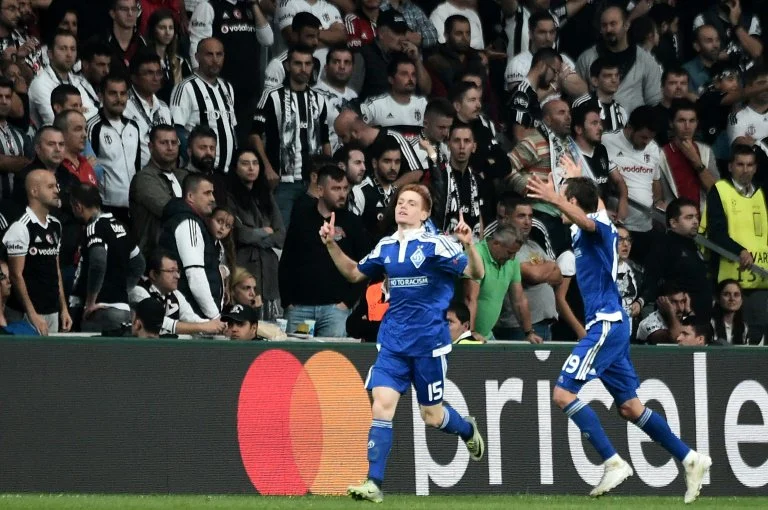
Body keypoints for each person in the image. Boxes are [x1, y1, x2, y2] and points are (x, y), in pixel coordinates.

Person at [526, 173, 712, 502]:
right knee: (630, 407)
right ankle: (690, 458)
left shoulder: (597, 228)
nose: (558, 203)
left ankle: (613, 462)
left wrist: (554, 197)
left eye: (564, 197)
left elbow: (588, 217)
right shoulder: (588, 225)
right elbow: (590, 205)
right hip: (614, 325)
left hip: (606, 324)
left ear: (572, 203)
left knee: (563, 395)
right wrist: (577, 174)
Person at [320, 183, 485, 502]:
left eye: (411, 203)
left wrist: (469, 245)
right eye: (400, 201)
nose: (403, 206)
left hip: (428, 345)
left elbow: (475, 273)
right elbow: (354, 273)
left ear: (425, 214)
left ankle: (467, 429)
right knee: (381, 406)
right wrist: (330, 244)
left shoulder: (438, 245)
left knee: (432, 416)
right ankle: (374, 483)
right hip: (393, 342)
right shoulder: (386, 247)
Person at [279, 165, 369, 337]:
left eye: (345, 188)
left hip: (335, 310)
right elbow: (286, 262)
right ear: (320, 190)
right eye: (335, 188)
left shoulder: (353, 223)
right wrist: (287, 301)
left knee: (332, 354)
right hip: (300, 309)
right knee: (297, 354)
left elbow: (364, 265)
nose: (342, 194)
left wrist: (348, 302)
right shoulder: (301, 219)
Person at [251, 45, 330, 226]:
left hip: (313, 180)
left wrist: (329, 171)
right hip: (282, 181)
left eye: (308, 64)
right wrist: (267, 168)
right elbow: (254, 135)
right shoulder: (271, 96)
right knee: (283, 231)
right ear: (287, 66)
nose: (303, 69)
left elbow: (325, 139)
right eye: (298, 64)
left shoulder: (319, 99)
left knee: (314, 230)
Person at [705, 144, 768, 341]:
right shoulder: (720, 190)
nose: (745, 169)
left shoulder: (762, 192)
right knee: (731, 333)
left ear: (755, 168)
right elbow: (716, 232)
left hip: (760, 277)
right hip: (729, 277)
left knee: (758, 331)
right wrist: (739, 250)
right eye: (740, 164)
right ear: (730, 166)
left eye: (750, 165)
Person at [2, 169, 71, 335]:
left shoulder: (56, 225)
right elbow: (16, 275)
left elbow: (55, 269)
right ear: (34, 191)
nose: (57, 191)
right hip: (25, 314)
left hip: (52, 310)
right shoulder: (21, 227)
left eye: (56, 186)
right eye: (50, 187)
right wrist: (32, 314)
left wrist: (63, 308)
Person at [68, 183, 144, 332]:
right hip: (123, 310)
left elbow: (98, 261)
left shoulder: (94, 226)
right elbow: (139, 263)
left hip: (101, 312)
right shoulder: (121, 226)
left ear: (78, 206)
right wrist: (122, 289)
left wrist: (91, 302)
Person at [226, 149, 284, 322]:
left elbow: (281, 234)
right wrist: (264, 232)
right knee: (243, 318)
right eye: (245, 163)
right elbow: (239, 234)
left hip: (269, 267)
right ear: (235, 168)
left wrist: (256, 238)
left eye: (255, 163)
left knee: (269, 323)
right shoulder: (229, 197)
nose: (251, 168)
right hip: (243, 264)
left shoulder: (266, 195)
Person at [601, 105, 662, 264]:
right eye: (643, 137)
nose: (646, 142)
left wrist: (658, 202)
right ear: (629, 127)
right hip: (618, 225)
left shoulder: (653, 148)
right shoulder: (606, 141)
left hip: (645, 227)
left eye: (650, 138)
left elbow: (655, 180)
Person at [576, 5, 662, 116]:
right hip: (598, 122)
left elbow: (654, 102)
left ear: (626, 25)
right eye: (604, 25)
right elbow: (577, 96)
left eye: (613, 24)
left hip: (633, 124)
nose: (608, 29)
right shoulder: (586, 58)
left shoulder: (646, 61)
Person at [159, 174, 222, 319]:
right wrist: (214, 316)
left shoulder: (189, 220)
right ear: (190, 196)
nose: (213, 199)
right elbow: (194, 273)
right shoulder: (188, 223)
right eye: (207, 193)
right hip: (193, 314)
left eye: (212, 193)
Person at [170, 37, 237, 174]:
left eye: (219, 54)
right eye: (209, 54)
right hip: (197, 172)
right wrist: (194, 161)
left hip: (225, 173)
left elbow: (231, 127)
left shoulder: (227, 87)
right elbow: (176, 130)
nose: (215, 60)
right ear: (197, 57)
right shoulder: (185, 87)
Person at [463, 224, 540, 343]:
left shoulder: (512, 261)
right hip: (463, 335)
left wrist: (529, 332)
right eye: (509, 252)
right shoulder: (475, 254)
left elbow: (519, 300)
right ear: (496, 243)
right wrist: (470, 333)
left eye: (515, 253)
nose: (512, 257)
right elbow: (469, 298)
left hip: (486, 335)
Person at [129, 249, 225, 336]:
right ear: (153, 274)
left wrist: (218, 326)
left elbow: (192, 319)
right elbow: (161, 324)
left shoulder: (175, 294)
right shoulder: (138, 291)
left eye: (177, 271)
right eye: (171, 271)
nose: (177, 276)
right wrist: (204, 327)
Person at [87, 73, 141, 225]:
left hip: (133, 205)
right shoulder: (93, 127)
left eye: (123, 93)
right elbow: (89, 167)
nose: (119, 98)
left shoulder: (133, 126)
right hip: (106, 205)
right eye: (113, 93)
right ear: (101, 96)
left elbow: (136, 167)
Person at [129, 124, 188, 254]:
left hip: (183, 250)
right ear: (151, 147)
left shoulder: (183, 176)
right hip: (154, 255)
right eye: (163, 143)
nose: (170, 147)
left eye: (174, 142)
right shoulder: (143, 178)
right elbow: (170, 209)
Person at [27, 30, 96, 127]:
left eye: (73, 49)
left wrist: (71, 111)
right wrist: (81, 110)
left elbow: (94, 114)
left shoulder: (77, 80)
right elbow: (56, 122)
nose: (69, 54)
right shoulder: (40, 83)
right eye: (63, 49)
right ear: (50, 54)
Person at [360, 53, 427, 145]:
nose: (410, 79)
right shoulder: (374, 105)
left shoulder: (423, 105)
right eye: (404, 74)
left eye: (413, 75)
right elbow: (358, 131)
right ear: (391, 79)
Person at [124, 50, 172, 168]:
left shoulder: (164, 108)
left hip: (163, 173)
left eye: (158, 73)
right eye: (149, 73)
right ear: (134, 77)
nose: (156, 78)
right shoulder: (123, 106)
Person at [263, 12, 322, 90]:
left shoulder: (316, 63)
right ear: (295, 35)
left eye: (317, 36)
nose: (316, 42)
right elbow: (269, 96)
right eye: (310, 36)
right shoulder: (278, 65)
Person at [315, 45, 357, 153]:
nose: (342, 66)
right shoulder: (315, 95)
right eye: (336, 62)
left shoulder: (354, 96)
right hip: (324, 158)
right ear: (326, 67)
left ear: (352, 68)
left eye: (347, 62)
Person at [145, 8, 192, 104]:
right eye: (162, 28)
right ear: (153, 30)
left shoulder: (180, 62)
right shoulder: (143, 60)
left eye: (171, 28)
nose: (167, 32)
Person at [0, 76, 31, 200]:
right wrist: (22, 161)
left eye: (7, 97)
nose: (4, 101)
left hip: (18, 205)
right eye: (0, 97)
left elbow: (33, 164)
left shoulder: (19, 133)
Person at [710, 278, 761, 345]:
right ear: (717, 298)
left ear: (741, 300)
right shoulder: (709, 324)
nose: (732, 298)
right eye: (726, 294)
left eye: (736, 295)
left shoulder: (744, 327)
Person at [103, 0, 147, 76]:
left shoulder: (144, 44)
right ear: (112, 14)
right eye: (124, 9)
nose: (130, 13)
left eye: (134, 9)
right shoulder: (101, 43)